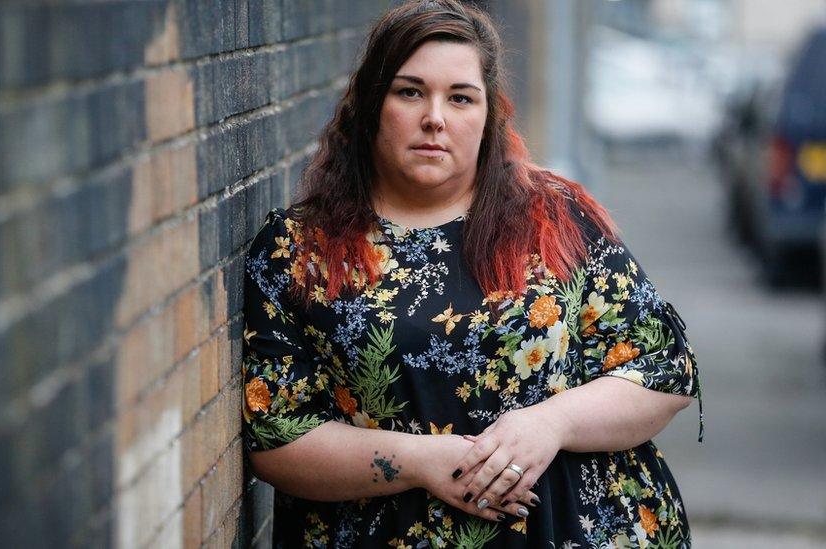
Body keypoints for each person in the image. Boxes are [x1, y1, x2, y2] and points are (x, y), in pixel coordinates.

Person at [240, 0, 703, 547]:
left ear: (488, 116)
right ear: (370, 106)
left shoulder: (552, 221)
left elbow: (662, 369)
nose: (435, 117)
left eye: (460, 97)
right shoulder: (302, 252)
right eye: (410, 92)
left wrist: (550, 424)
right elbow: (276, 436)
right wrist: (420, 461)